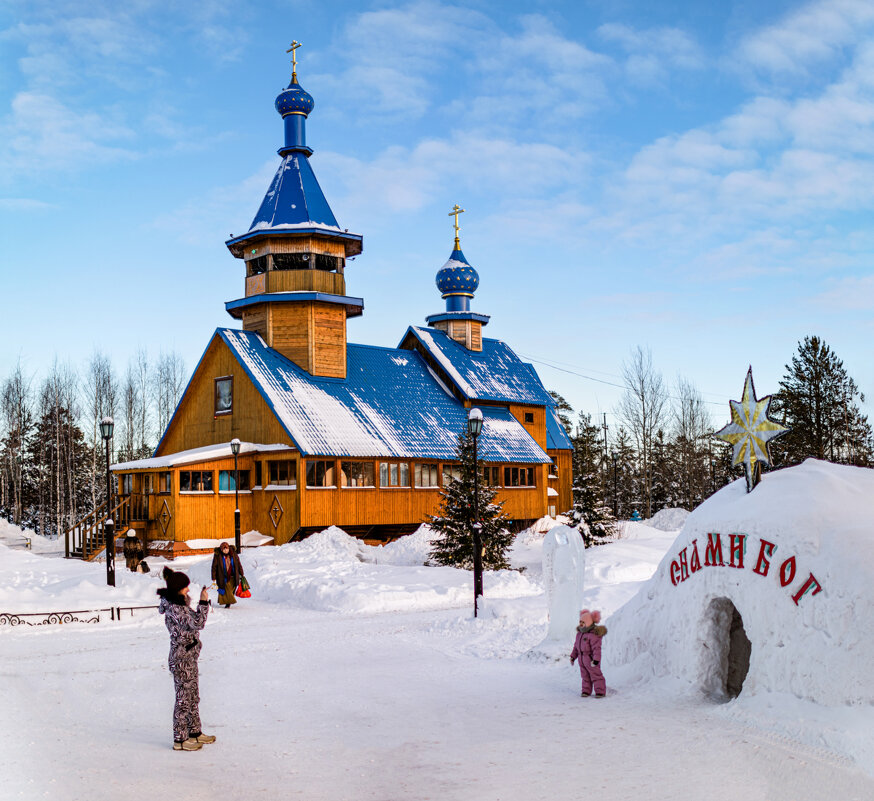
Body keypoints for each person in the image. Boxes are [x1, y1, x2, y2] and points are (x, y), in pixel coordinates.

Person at [157, 566, 216, 751]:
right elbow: (197, 623)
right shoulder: (175, 608)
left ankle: (194, 733)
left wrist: (201, 603)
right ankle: (180, 739)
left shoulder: (180, 603)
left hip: (189, 656)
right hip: (182, 658)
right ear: (178, 588)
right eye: (185, 587)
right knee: (183, 699)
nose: (188, 589)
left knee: (192, 696)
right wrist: (204, 602)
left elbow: (195, 619)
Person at [570, 608, 607, 698]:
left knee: (596, 675)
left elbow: (596, 649)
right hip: (581, 659)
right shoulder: (579, 634)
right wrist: (573, 656)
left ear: (589, 623)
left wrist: (596, 660)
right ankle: (586, 691)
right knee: (585, 676)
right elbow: (576, 647)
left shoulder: (593, 635)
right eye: (580, 622)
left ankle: (600, 692)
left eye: (583, 622)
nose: (581, 624)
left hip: (590, 659)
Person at [211, 541, 244, 609]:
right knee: (226, 590)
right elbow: (214, 567)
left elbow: (238, 563)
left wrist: (241, 573)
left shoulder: (233, 554)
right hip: (222, 576)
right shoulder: (218, 555)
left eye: (227, 548)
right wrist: (213, 577)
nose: (226, 550)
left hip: (233, 576)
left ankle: (228, 603)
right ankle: (229, 602)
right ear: (221, 549)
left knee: (231, 591)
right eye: (224, 549)